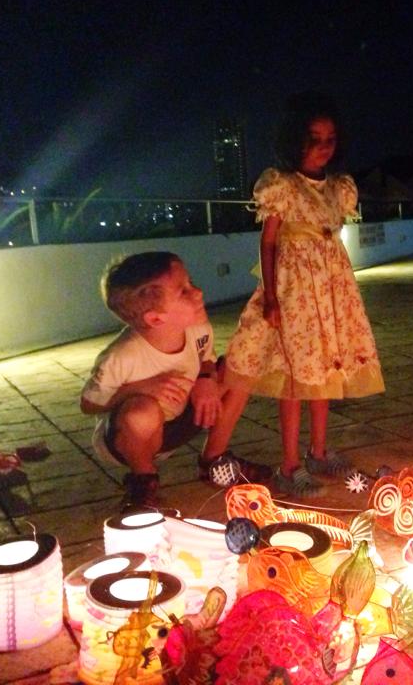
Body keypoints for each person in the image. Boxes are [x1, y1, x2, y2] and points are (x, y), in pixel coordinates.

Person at [206, 92, 385, 497]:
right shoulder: (282, 186)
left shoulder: (338, 188)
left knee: (324, 372)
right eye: (313, 139)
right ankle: (289, 464)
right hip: (295, 293)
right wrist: (271, 297)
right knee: (294, 377)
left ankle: (318, 451)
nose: (323, 147)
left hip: (331, 293)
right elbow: (269, 242)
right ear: (294, 140)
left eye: (330, 139)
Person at [81, 252, 272, 511]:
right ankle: (143, 480)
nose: (198, 292)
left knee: (239, 366)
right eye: (184, 291)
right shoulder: (122, 356)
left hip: (183, 416)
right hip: (133, 439)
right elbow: (89, 404)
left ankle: (213, 460)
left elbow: (207, 359)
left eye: (190, 282)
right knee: (140, 412)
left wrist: (206, 377)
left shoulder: (198, 329)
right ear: (155, 318)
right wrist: (138, 388)